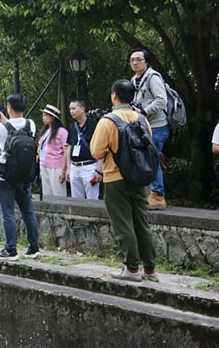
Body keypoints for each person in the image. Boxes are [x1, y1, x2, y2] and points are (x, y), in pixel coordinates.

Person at [90, 80, 158, 282]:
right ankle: (150, 270)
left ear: (114, 96)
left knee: (123, 224)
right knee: (142, 223)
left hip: (115, 178)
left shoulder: (108, 121)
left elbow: (96, 151)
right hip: (140, 178)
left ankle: (132, 268)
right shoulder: (142, 119)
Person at [0, 93, 41, 260]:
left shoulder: (0, 127)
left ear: (9, 108)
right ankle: (34, 247)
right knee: (28, 211)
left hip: (5, 176)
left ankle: (10, 249)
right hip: (25, 174)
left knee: (8, 213)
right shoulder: (30, 124)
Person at [130, 49, 169, 209]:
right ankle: (150, 193)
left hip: (157, 126)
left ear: (146, 62)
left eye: (138, 59)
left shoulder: (153, 77)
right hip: (144, 126)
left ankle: (158, 195)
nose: (135, 62)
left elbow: (162, 101)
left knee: (152, 159)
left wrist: (144, 112)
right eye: (132, 60)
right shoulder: (134, 80)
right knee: (146, 159)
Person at [67, 100, 100, 200]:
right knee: (76, 198)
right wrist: (68, 168)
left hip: (89, 167)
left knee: (92, 196)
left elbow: (100, 148)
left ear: (82, 109)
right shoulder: (73, 126)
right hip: (74, 167)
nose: (71, 111)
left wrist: (99, 170)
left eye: (73, 108)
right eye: (70, 109)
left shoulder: (94, 126)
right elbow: (69, 146)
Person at [37, 104, 70, 197]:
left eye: (46, 115)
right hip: (44, 165)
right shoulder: (45, 131)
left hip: (56, 167)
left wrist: (63, 170)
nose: (43, 118)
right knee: (46, 193)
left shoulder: (62, 132)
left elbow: (66, 152)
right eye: (43, 115)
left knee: (58, 192)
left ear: (53, 117)